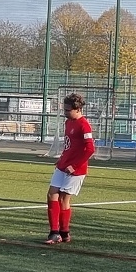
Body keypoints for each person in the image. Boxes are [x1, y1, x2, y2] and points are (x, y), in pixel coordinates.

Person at [44, 93, 95, 245]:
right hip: (63, 165)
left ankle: (64, 233)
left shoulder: (84, 125)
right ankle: (54, 232)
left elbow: (90, 149)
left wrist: (75, 165)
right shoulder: (68, 123)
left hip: (76, 169)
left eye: (68, 110)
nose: (65, 113)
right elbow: (69, 145)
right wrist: (62, 159)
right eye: (64, 110)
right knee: (51, 194)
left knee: (63, 199)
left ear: (77, 109)